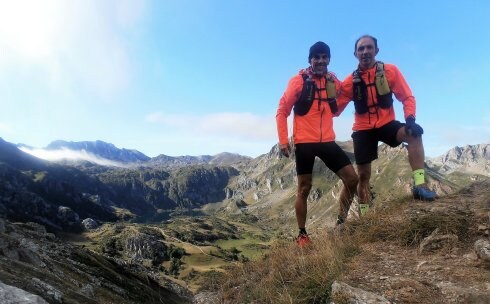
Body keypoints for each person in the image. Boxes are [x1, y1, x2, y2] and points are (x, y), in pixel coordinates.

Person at [337, 35, 437, 215]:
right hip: (362, 130)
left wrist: (410, 119)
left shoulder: (390, 71)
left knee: (414, 134)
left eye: (369, 48)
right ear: (355, 54)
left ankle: (420, 185)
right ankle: (365, 215)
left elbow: (407, 97)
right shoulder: (349, 82)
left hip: (386, 124)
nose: (365, 51)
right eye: (361, 49)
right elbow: (335, 110)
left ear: (377, 50)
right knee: (363, 176)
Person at [276, 41, 359, 247]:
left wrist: (358, 77)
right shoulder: (298, 81)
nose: (320, 60)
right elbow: (282, 110)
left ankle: (341, 222)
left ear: (329, 59)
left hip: (327, 141)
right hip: (304, 142)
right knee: (304, 189)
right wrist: (283, 140)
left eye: (324, 57)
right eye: (316, 57)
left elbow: (342, 97)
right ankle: (302, 235)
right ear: (310, 60)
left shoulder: (333, 81)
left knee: (352, 179)